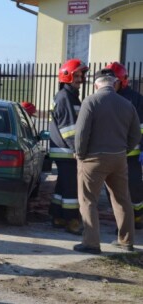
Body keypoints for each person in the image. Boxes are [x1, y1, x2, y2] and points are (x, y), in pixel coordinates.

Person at [73, 68, 140, 254]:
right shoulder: (127, 104)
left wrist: (80, 154)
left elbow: (82, 133)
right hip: (119, 158)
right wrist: (124, 150)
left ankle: (91, 243)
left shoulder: (91, 101)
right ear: (114, 83)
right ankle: (126, 241)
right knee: (122, 199)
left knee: (88, 200)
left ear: (96, 84)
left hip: (93, 159)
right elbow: (136, 134)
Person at [48, 58, 88, 235]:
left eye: (81, 75)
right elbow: (69, 129)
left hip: (63, 150)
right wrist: (77, 150)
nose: (80, 78)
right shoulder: (65, 97)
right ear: (67, 77)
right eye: (76, 75)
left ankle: (57, 217)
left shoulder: (69, 96)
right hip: (67, 150)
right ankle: (72, 221)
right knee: (72, 187)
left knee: (63, 185)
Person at [105, 62, 143, 230]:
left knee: (134, 187)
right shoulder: (105, 97)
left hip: (131, 154)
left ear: (122, 80)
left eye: (113, 81)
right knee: (114, 190)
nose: (110, 84)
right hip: (112, 153)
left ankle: (138, 217)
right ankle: (122, 221)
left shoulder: (136, 99)